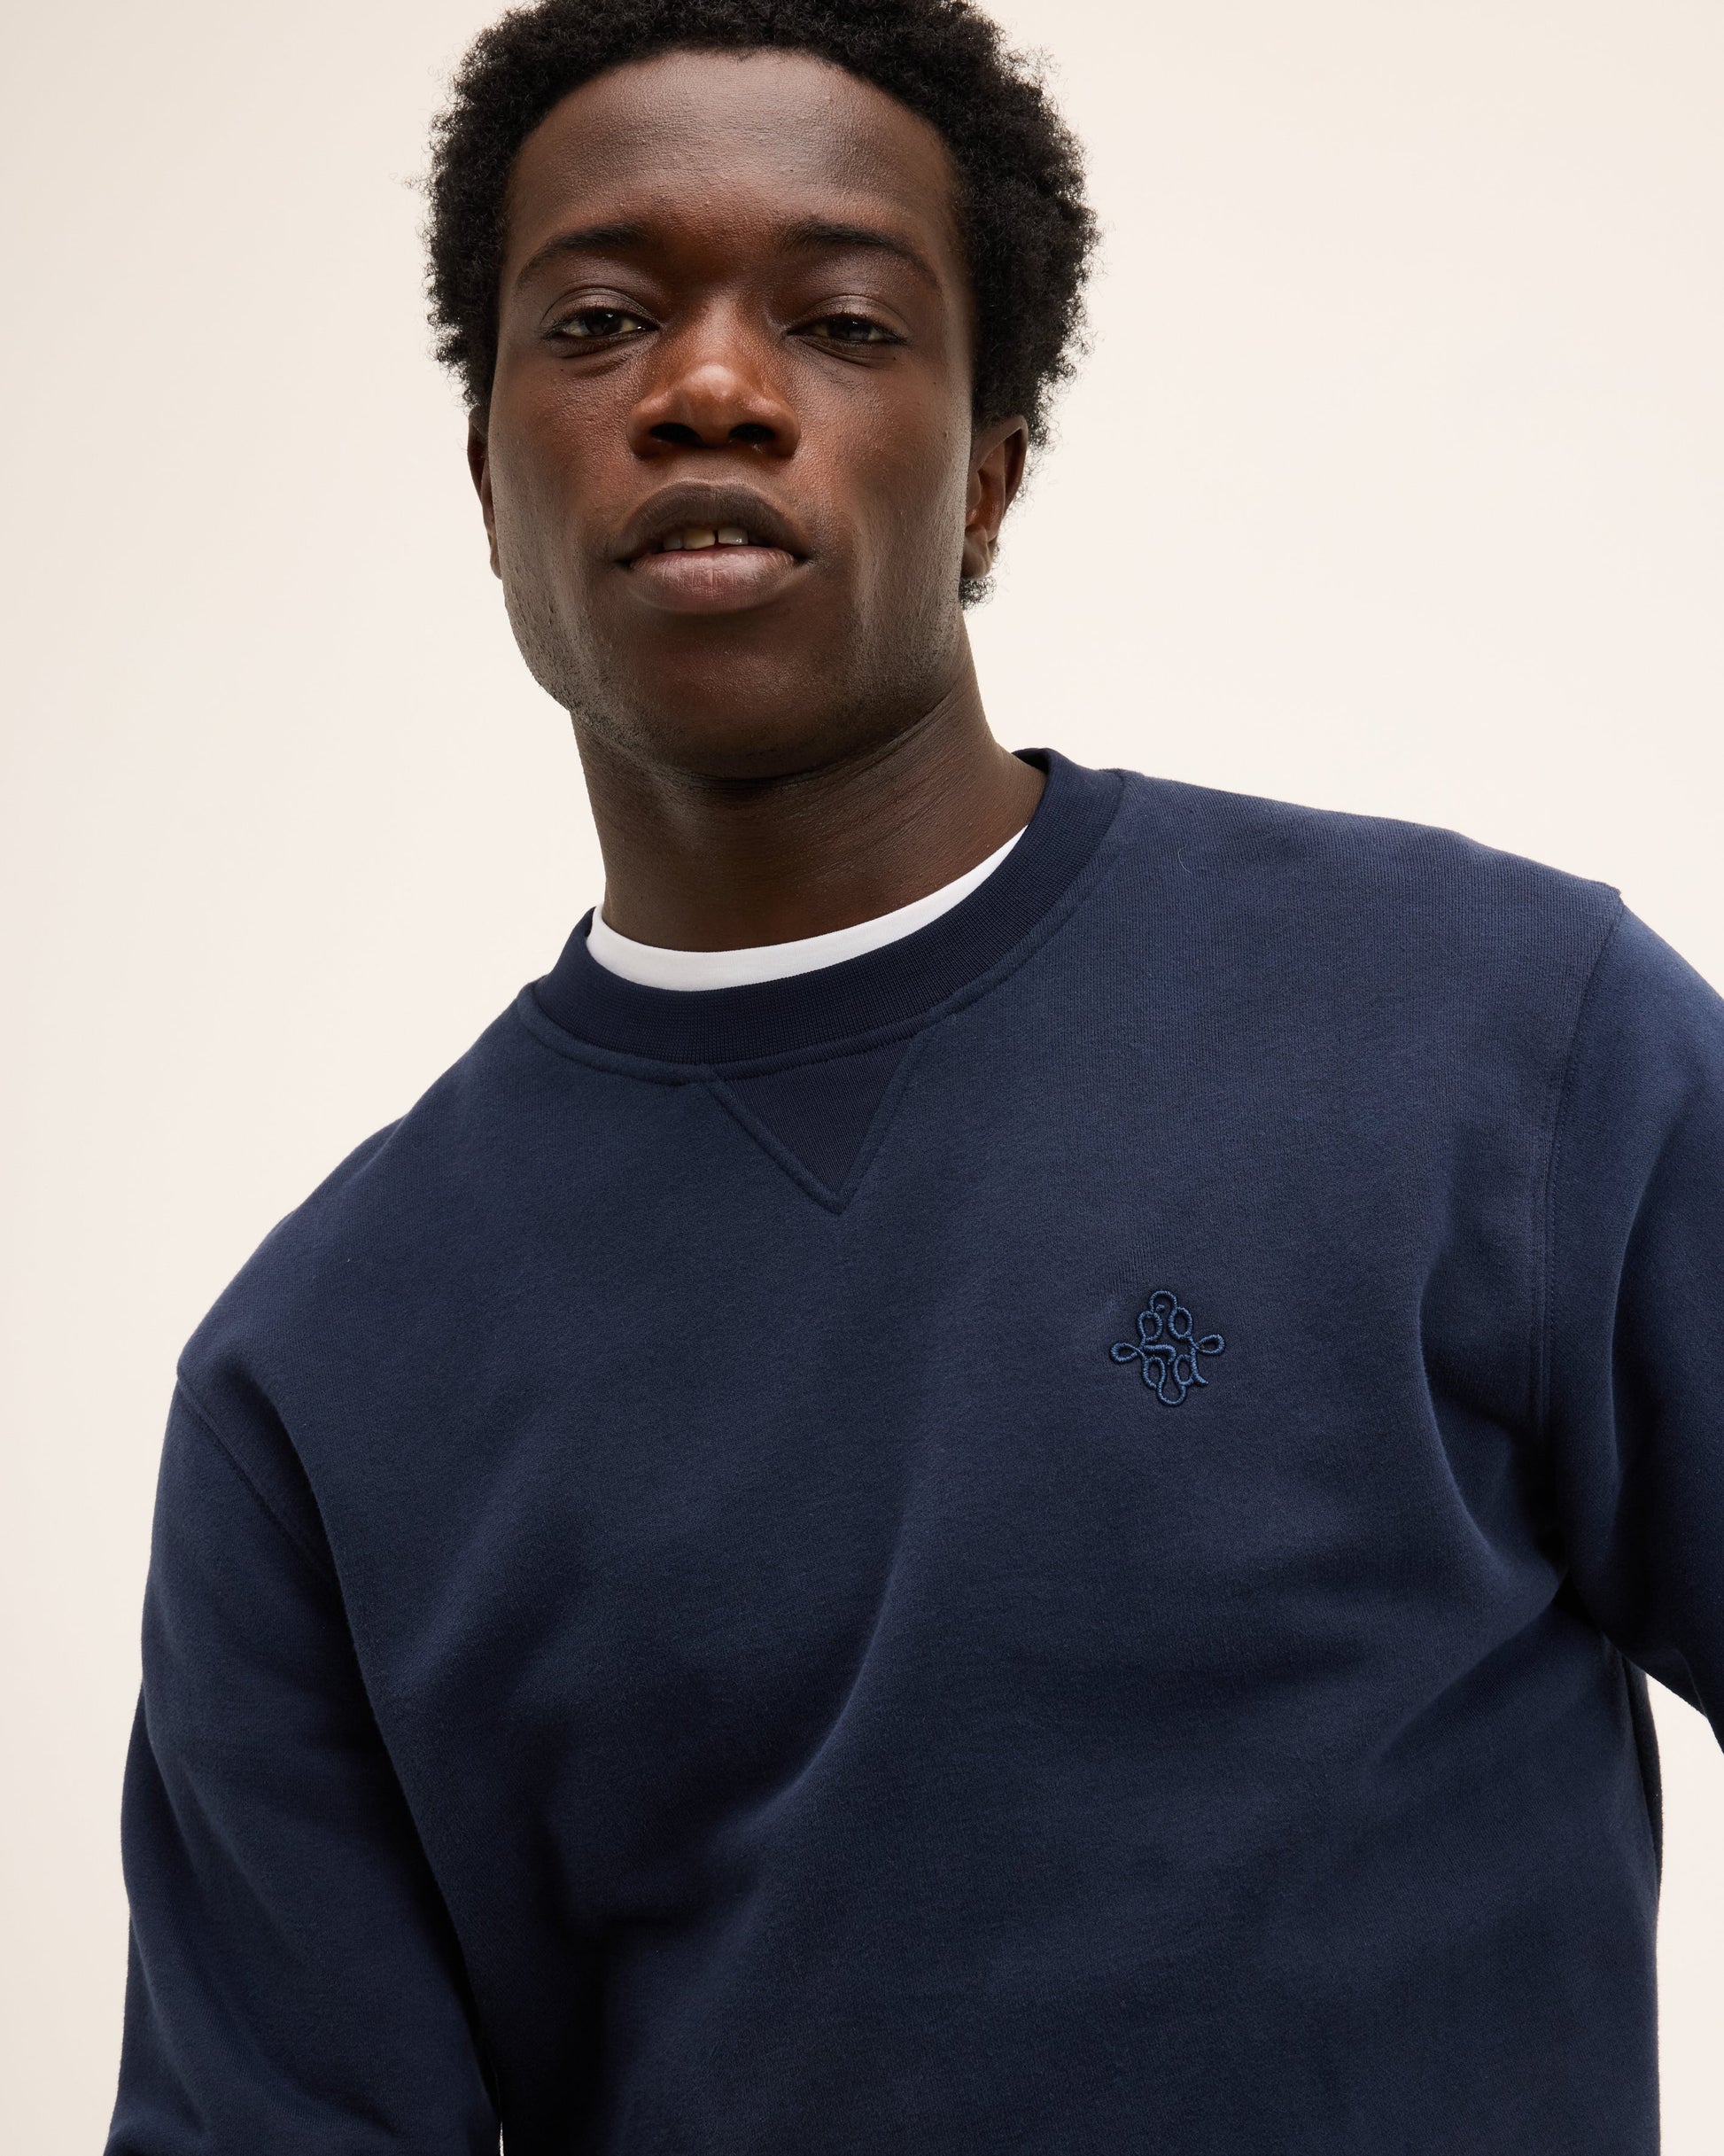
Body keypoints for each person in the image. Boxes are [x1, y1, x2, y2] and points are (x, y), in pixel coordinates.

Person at [105, 0, 1724, 2149]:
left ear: (985, 479)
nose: (706, 386)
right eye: (597, 321)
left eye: (843, 322)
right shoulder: (318, 1382)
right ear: (490, 481)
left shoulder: (1500, 1035)